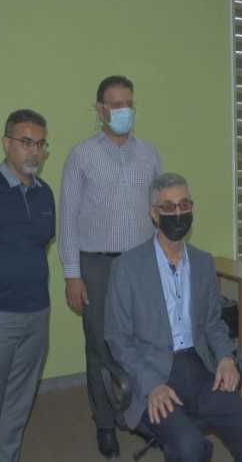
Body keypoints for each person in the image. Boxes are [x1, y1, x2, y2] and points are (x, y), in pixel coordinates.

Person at [104, 173, 242, 462]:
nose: (178, 213)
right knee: (189, 447)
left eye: (184, 205)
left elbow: (213, 324)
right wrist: (150, 384)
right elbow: (118, 337)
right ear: (154, 213)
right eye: (168, 207)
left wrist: (226, 357)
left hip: (200, 368)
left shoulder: (203, 262)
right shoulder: (127, 267)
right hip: (154, 371)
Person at [58, 75, 162, 459]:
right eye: (116, 105)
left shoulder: (149, 153)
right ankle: (105, 424)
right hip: (97, 267)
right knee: (100, 348)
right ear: (100, 109)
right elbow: (68, 219)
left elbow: (160, 210)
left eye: (128, 104)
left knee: (145, 343)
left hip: (140, 265)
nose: (123, 111)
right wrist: (73, 275)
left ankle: (146, 415)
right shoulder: (81, 155)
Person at [0, 109, 55, 462]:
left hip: (37, 313)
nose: (34, 151)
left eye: (40, 144)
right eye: (26, 142)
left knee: (18, 405)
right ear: (6, 143)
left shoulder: (45, 194)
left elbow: (39, 245)